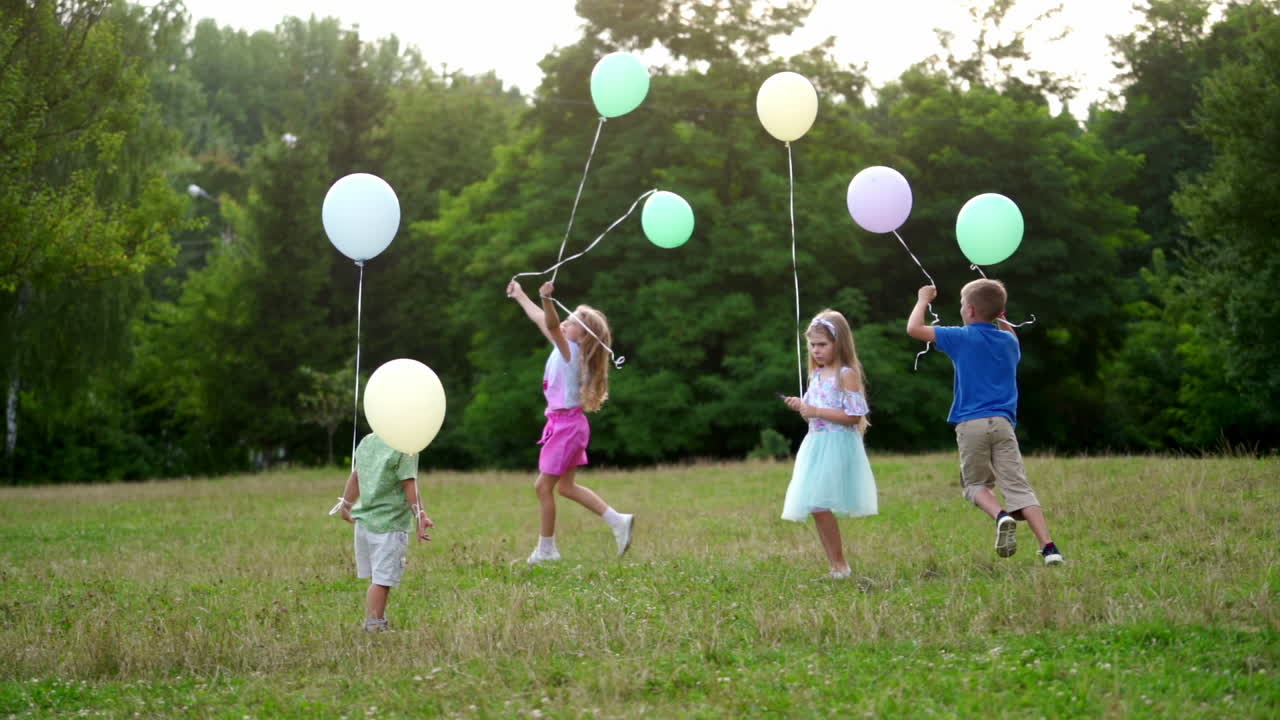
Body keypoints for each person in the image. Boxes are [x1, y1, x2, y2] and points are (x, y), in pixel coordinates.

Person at [907, 280, 1064, 565]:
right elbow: (1011, 334)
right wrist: (1001, 317)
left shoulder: (961, 337)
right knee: (1019, 488)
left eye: (962, 305)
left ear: (969, 310)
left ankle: (1001, 516)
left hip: (971, 425)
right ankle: (1049, 548)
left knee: (975, 485)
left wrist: (922, 299)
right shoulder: (1009, 343)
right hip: (1003, 424)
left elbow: (914, 329)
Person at [506, 278, 634, 565]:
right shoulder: (565, 347)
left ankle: (547, 550)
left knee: (542, 487)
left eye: (572, 321)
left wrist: (547, 299)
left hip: (566, 427)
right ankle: (619, 521)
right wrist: (521, 296)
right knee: (564, 487)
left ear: (583, 336)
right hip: (567, 424)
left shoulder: (571, 351)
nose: (564, 322)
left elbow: (551, 324)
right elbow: (544, 321)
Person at [780, 309, 878, 579]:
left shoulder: (845, 374)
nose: (816, 350)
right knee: (816, 506)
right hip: (816, 443)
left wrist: (816, 411)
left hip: (837, 445)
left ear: (839, 343)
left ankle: (841, 566)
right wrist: (803, 407)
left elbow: (854, 416)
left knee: (820, 504)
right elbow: (813, 412)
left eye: (822, 344)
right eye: (812, 345)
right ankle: (836, 566)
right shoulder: (817, 375)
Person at [330, 432, 434, 632]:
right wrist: (420, 515)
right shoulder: (406, 446)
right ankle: (374, 625)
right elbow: (408, 483)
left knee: (378, 578)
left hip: (364, 523)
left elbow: (357, 475)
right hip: (389, 526)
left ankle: (377, 618)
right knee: (382, 581)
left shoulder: (368, 441)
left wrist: (346, 504)